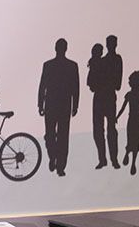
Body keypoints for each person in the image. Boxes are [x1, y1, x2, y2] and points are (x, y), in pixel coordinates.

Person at [37, 38, 79, 177]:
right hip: (58, 104)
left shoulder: (53, 65)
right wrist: (40, 103)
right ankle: (55, 159)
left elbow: (75, 87)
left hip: (57, 104)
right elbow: (43, 85)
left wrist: (75, 105)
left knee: (59, 135)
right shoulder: (67, 65)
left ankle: (59, 164)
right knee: (56, 135)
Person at [94, 35, 123, 169]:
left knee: (109, 129)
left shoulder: (113, 60)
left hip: (106, 97)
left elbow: (118, 84)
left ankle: (111, 159)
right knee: (101, 130)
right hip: (104, 97)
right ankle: (105, 159)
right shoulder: (104, 61)